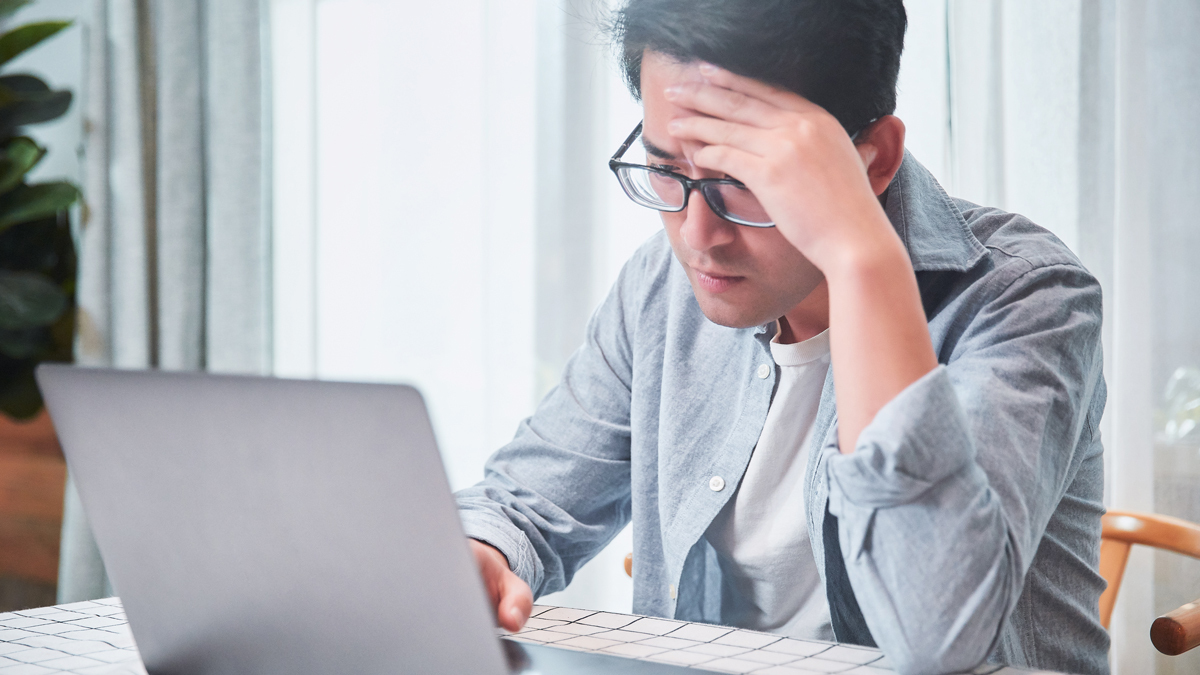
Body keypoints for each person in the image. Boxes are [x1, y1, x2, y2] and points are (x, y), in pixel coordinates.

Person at [455, 1, 1109, 673]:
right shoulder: (661, 286)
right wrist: (483, 553)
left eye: (743, 183)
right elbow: (523, 504)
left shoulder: (1030, 295)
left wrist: (862, 255)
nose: (697, 237)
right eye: (667, 168)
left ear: (873, 159)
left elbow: (936, 641)